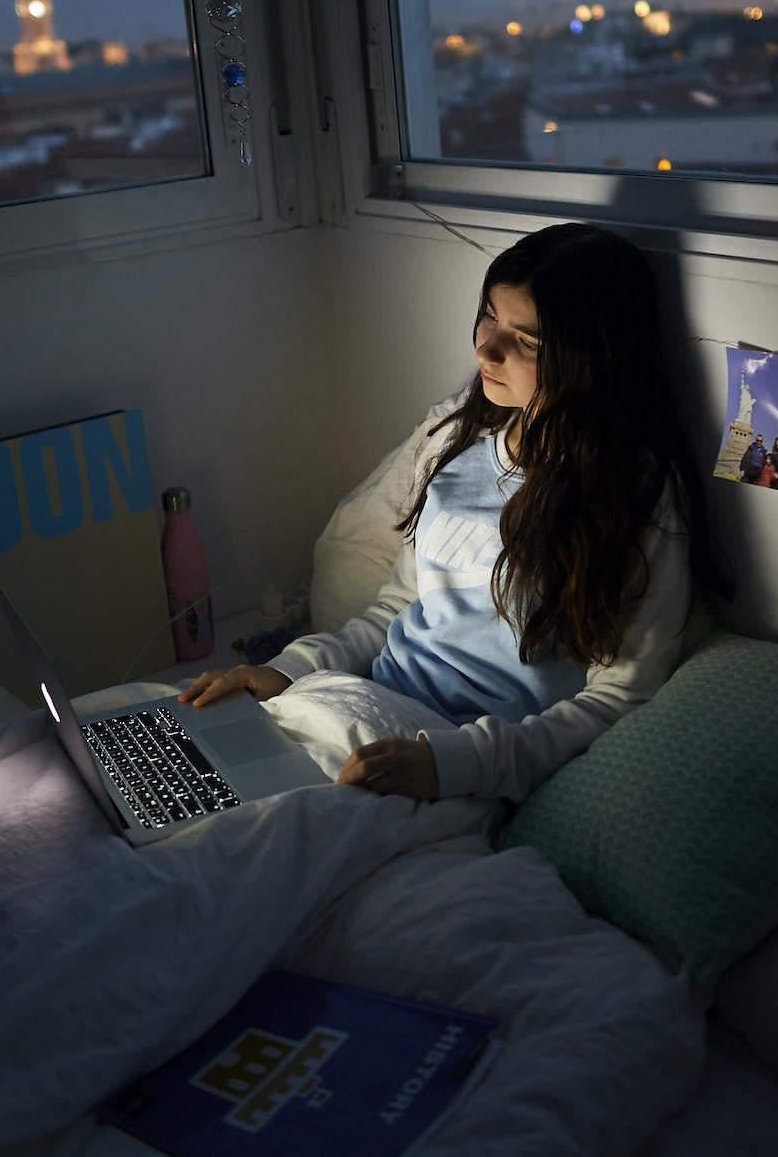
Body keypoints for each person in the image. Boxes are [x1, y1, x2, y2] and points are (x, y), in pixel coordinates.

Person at [177, 222, 731, 803]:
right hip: (349, 704)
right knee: (165, 779)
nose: (486, 348)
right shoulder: (459, 441)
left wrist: (463, 764)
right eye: (490, 316)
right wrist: (287, 669)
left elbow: (620, 695)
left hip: (444, 761)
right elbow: (398, 608)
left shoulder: (635, 497)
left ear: (592, 357)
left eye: (528, 340)